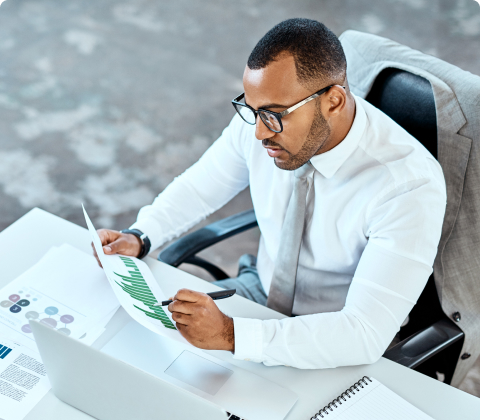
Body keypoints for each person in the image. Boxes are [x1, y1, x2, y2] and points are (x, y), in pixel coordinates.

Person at [93, 19, 446, 369]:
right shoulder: (262, 122)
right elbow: (200, 187)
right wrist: (141, 235)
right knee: (133, 350)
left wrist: (231, 335)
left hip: (333, 336)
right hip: (259, 292)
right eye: (253, 110)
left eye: (275, 116)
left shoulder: (408, 187)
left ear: (334, 101)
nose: (260, 133)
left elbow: (363, 333)